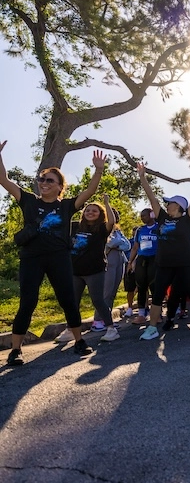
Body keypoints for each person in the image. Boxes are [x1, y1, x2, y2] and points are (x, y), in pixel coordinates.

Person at [1, 142, 105, 365]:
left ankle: (79, 341)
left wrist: (98, 170)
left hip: (59, 257)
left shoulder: (67, 206)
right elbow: (4, 180)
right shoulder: (28, 201)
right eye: (41, 179)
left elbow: (89, 191)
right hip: (32, 258)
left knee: (68, 299)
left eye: (49, 180)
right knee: (28, 302)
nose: (43, 183)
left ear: (60, 187)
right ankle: (16, 350)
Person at [137, 163, 190, 339]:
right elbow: (152, 198)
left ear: (178, 206)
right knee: (158, 294)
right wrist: (142, 177)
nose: (167, 205)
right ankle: (152, 328)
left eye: (170, 203)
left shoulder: (187, 219)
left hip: (185, 263)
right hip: (164, 264)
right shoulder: (162, 217)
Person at [70, 194, 119, 341]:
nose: (90, 212)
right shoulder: (74, 226)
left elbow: (112, 221)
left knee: (98, 300)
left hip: (94, 270)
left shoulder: (102, 229)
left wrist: (106, 203)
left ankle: (111, 329)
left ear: (100, 215)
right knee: (72, 301)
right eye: (87, 210)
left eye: (94, 211)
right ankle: (69, 329)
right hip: (75, 270)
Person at [128, 208, 159, 324]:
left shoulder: (158, 228)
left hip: (155, 259)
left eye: (144, 215)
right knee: (141, 285)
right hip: (142, 259)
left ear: (151, 215)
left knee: (154, 285)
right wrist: (130, 262)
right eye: (141, 216)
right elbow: (135, 247)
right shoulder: (140, 230)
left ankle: (157, 313)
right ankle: (141, 314)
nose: (142, 218)